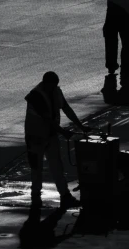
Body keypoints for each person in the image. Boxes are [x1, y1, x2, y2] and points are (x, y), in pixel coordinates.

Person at [25, 71, 89, 209]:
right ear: (45, 83)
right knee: (37, 169)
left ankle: (65, 196)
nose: (54, 88)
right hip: (35, 137)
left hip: (50, 135)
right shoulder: (36, 95)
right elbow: (48, 120)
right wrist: (64, 132)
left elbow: (66, 108)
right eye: (52, 86)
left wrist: (80, 126)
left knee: (57, 167)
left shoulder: (56, 91)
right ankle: (36, 198)